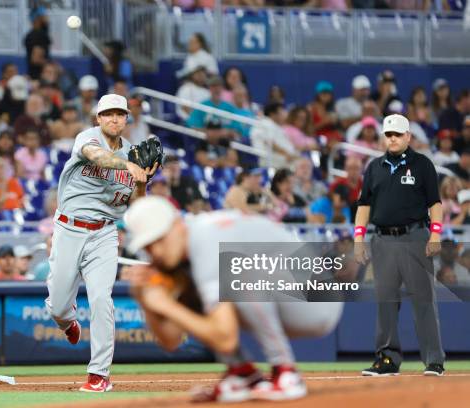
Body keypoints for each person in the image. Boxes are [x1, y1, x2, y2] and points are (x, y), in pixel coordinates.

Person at [122, 196, 343, 402]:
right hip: (289, 293)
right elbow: (171, 340)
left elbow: (225, 338)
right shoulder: (183, 253)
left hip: (319, 298)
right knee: (197, 295)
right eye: (148, 246)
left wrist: (166, 304)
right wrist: (146, 300)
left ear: (177, 225)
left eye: (159, 239)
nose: (156, 251)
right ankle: (241, 373)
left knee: (240, 272)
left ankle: (285, 372)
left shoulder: (205, 239)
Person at [45, 93, 155, 392]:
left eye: (120, 114)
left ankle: (99, 375)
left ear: (126, 119)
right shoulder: (87, 137)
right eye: (108, 114)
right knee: (56, 305)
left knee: (101, 299)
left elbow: (135, 207)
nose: (114, 118)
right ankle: (67, 322)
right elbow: (97, 157)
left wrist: (142, 183)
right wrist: (128, 165)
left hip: (105, 234)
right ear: (99, 118)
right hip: (69, 228)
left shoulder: (134, 153)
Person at [354, 113, 446, 377]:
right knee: (385, 301)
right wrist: (358, 238)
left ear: (408, 136)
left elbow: (435, 203)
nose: (392, 139)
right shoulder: (374, 167)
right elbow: (364, 205)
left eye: (397, 134)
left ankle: (434, 360)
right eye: (388, 135)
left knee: (424, 300)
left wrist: (435, 234)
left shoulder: (422, 165)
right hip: (382, 239)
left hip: (415, 236)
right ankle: (387, 360)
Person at [24, 6, 51, 79]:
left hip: (35, 76)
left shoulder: (31, 35)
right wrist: (53, 66)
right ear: (38, 19)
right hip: (39, 78)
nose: (47, 19)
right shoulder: (38, 35)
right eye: (44, 16)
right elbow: (36, 59)